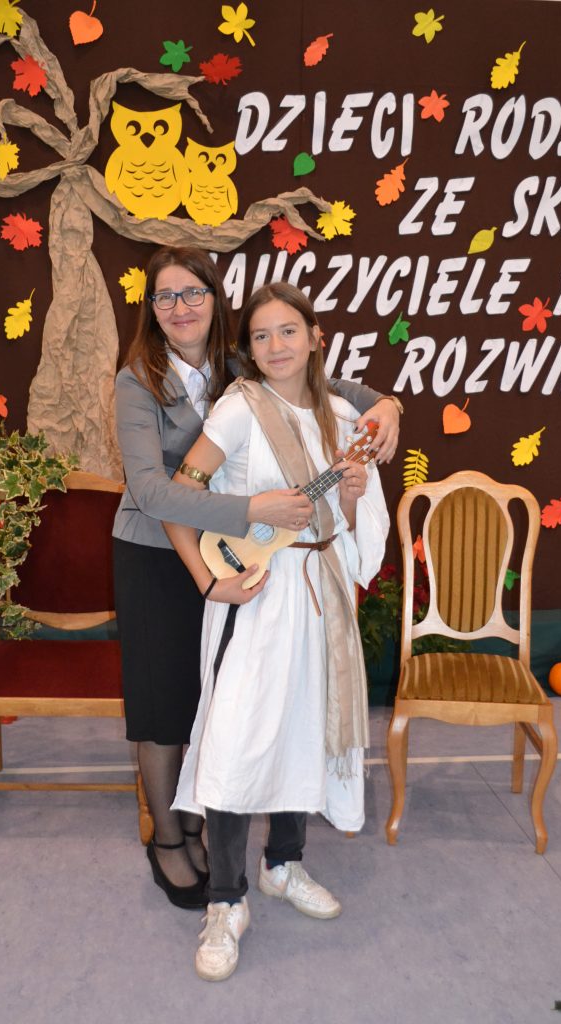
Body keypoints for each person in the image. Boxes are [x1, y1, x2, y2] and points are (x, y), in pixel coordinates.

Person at [113, 246, 399, 912]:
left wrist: (387, 405)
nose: (180, 307)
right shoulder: (137, 380)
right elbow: (153, 492)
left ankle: (222, 834)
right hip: (157, 550)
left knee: (214, 700)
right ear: (151, 309)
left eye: (193, 292)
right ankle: (169, 837)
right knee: (164, 706)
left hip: (242, 557)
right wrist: (252, 511)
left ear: (215, 300)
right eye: (165, 296)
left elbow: (331, 388)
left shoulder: (239, 361)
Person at [164, 282, 389, 981]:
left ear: (316, 337)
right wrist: (215, 571)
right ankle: (225, 900)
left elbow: (350, 523)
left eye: (288, 331)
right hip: (255, 593)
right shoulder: (237, 408)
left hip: (319, 591)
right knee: (236, 742)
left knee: (302, 729)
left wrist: (348, 497)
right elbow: (179, 494)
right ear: (249, 350)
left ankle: (283, 865)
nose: (275, 346)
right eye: (260, 336)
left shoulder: (341, 415)